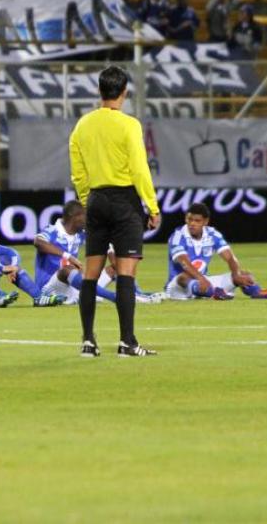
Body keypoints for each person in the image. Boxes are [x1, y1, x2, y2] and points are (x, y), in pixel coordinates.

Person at [69, 65, 161, 358]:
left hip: (96, 200)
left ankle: (88, 341)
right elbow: (138, 167)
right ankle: (127, 342)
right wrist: (151, 204)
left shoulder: (83, 125)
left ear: (99, 91)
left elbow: (78, 170)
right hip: (124, 202)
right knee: (126, 273)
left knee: (91, 273)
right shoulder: (129, 125)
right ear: (124, 92)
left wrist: (87, 199)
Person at [34, 200, 164, 305]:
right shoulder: (53, 230)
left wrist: (113, 259)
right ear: (75, 217)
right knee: (66, 269)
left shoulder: (80, 233)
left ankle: (137, 295)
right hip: (51, 289)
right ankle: (114, 298)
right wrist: (68, 256)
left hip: (74, 287)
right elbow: (38, 242)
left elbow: (105, 242)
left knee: (114, 268)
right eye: (85, 216)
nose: (87, 220)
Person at [165, 203, 267, 300]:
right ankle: (214, 293)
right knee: (184, 276)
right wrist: (201, 278)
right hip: (177, 287)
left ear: (205, 221)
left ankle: (257, 292)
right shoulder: (178, 236)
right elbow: (184, 263)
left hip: (202, 282)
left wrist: (236, 274)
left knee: (244, 274)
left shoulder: (212, 234)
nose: (192, 224)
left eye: (197, 221)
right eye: (189, 219)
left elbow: (230, 257)